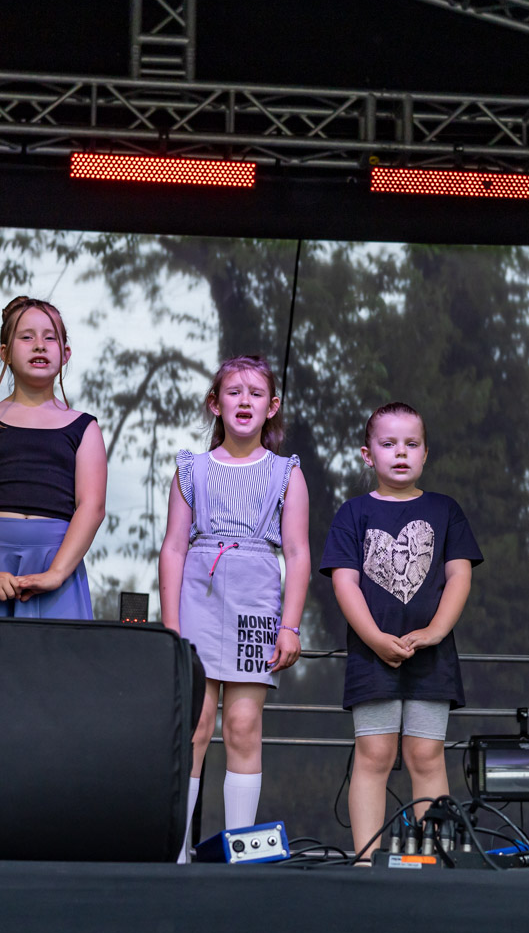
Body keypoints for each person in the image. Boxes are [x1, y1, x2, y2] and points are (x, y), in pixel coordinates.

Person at [159, 355, 310, 862]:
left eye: (255, 393)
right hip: (199, 600)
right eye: (234, 391)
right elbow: (173, 548)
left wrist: (290, 626)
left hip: (255, 600)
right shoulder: (192, 469)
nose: (245, 401)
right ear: (215, 403)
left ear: (273, 406)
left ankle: (240, 851)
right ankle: (177, 851)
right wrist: (172, 626)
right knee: (196, 724)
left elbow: (297, 553)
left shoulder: (286, 473)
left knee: (243, 724)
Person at [321, 402, 482, 861]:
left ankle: (433, 859)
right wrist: (374, 639)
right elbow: (344, 582)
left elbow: (459, 575)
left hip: (431, 656)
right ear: (367, 454)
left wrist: (435, 631)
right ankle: (367, 860)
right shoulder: (352, 513)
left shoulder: (445, 510)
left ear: (426, 454)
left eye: (412, 444)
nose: (400, 453)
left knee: (426, 755)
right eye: (388, 444)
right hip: (372, 654)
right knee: (373, 754)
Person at [0, 297, 107, 618]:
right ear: (5, 352)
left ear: (65, 353)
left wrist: (57, 572)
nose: (39, 345)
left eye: (50, 337)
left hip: (57, 563)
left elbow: (92, 506)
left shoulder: (85, 428)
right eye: (27, 336)